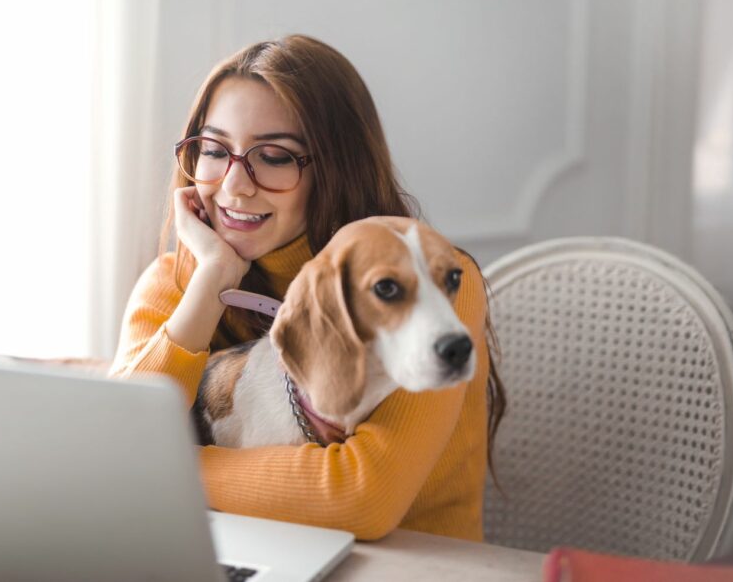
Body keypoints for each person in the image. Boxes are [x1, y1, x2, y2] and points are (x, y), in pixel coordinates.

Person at [109, 34, 505, 542]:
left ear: (337, 167)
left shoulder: (439, 283)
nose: (234, 185)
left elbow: (362, 497)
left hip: (408, 567)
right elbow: (117, 445)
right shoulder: (174, 282)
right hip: (236, 554)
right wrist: (209, 285)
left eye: (273, 157)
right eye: (213, 150)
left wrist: (161, 473)